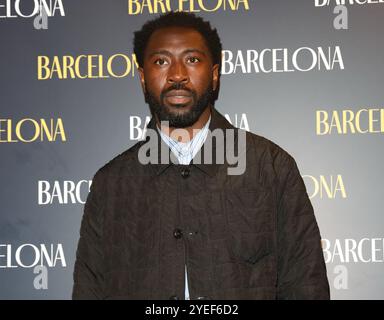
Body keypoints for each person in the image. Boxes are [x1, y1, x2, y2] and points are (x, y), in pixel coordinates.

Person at [72, 11, 330, 300]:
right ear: (143, 78)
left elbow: (306, 285)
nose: (177, 75)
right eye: (161, 61)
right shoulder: (112, 185)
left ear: (215, 74)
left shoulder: (270, 168)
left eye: (192, 59)